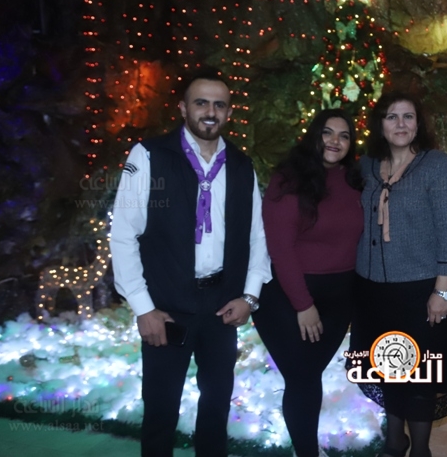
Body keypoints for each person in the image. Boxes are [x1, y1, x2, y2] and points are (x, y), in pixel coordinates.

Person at [111, 68, 272, 457]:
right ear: (183, 108)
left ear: (229, 112)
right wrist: (143, 308)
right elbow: (123, 234)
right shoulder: (149, 155)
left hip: (221, 308)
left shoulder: (241, 165)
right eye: (201, 103)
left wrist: (249, 297)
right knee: (160, 411)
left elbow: (258, 236)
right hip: (165, 309)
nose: (210, 112)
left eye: (219, 104)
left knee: (216, 409)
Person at [351, 92, 447, 457]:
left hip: (422, 291)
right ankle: (394, 440)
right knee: (386, 365)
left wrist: (443, 292)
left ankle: (420, 449)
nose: (400, 124)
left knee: (418, 373)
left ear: (418, 124)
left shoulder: (436, 165)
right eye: (392, 116)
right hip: (372, 290)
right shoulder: (366, 166)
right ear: (380, 125)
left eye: (408, 116)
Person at [252, 109, 363, 457]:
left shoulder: (355, 179)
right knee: (301, 377)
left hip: (339, 297)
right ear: (314, 135)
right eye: (327, 133)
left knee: (309, 375)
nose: (335, 141)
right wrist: (303, 304)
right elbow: (280, 248)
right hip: (288, 296)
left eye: (344, 136)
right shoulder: (288, 179)